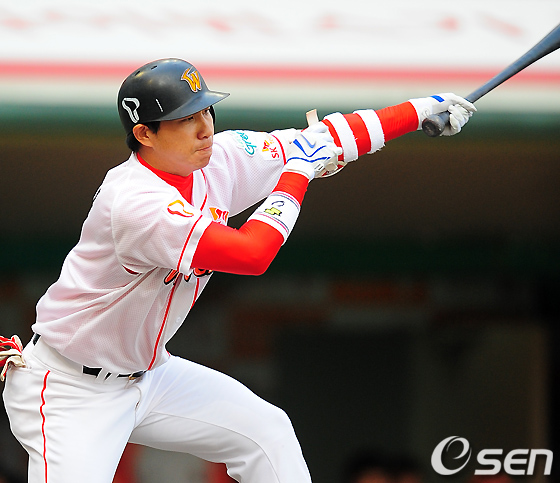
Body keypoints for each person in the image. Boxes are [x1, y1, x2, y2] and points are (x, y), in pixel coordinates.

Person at [0, 58, 475, 482]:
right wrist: (295, 177)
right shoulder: (135, 202)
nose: (204, 128)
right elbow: (252, 254)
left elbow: (321, 140)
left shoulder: (221, 157)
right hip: (69, 389)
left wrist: (418, 111)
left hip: (147, 375)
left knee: (267, 431)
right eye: (184, 119)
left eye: (205, 111)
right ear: (144, 134)